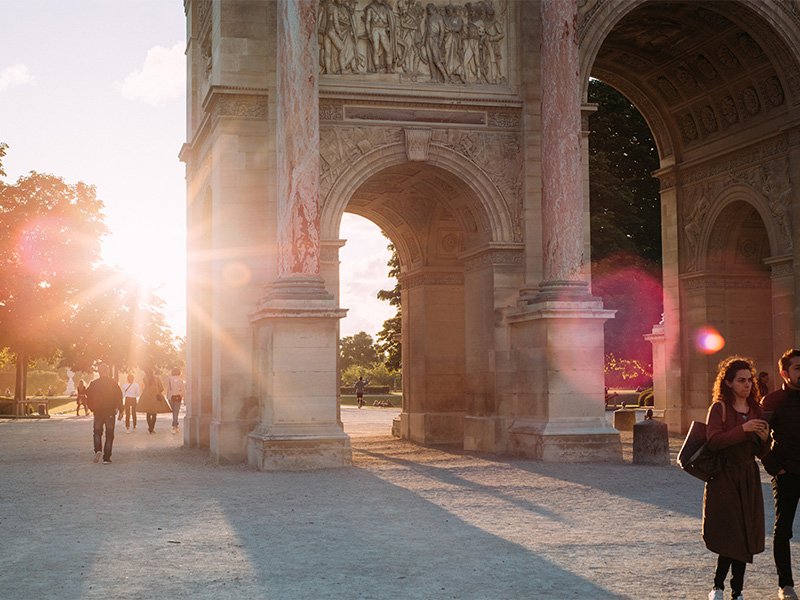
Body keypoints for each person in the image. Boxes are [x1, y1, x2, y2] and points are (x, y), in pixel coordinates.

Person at [704, 356, 769, 600]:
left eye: (749, 380)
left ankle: (737, 590)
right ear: (728, 383)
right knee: (729, 532)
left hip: (748, 476)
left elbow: (762, 453)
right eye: (741, 380)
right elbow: (713, 441)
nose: (747, 385)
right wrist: (743, 430)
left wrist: (764, 440)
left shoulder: (756, 410)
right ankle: (718, 586)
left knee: (744, 533)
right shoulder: (719, 408)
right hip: (724, 477)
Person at [761, 349, 800, 600]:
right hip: (787, 473)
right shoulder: (772, 401)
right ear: (784, 373)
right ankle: (785, 585)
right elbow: (760, 440)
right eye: (798, 368)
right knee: (783, 530)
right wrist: (776, 468)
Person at [85, 364, 123, 464]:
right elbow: (119, 396)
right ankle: (106, 457)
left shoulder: (94, 384)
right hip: (110, 411)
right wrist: (121, 409)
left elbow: (88, 395)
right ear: (107, 371)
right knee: (109, 434)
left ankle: (98, 450)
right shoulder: (113, 383)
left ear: (99, 372)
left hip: (98, 411)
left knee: (97, 432)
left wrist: (91, 407)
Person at [136, 368, 171, 433]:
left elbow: (144, 385)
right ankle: (152, 427)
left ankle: (150, 427)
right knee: (154, 413)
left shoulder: (145, 378)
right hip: (155, 396)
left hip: (146, 396)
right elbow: (161, 388)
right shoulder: (157, 378)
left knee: (148, 412)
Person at [166, 367, 186, 435]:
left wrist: (167, 397)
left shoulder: (169, 379)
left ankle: (175, 425)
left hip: (171, 397)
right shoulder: (181, 380)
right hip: (178, 397)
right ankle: (174, 426)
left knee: (174, 412)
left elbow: (168, 389)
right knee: (176, 412)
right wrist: (182, 397)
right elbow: (183, 390)